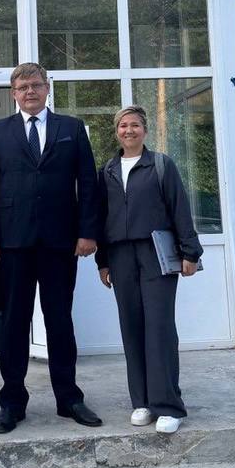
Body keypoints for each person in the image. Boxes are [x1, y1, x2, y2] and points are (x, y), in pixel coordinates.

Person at [0, 62, 102, 434]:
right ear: (14, 94)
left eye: (35, 85)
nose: (29, 92)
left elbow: (88, 183)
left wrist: (88, 232)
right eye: (22, 87)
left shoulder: (71, 128)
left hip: (60, 242)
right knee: (13, 323)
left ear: (47, 88)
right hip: (12, 243)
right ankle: (12, 403)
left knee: (60, 320)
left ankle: (69, 399)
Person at [97, 106, 203, 435]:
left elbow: (179, 207)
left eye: (135, 125)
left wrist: (190, 251)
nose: (129, 130)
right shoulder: (107, 171)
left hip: (155, 252)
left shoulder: (160, 165)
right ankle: (142, 401)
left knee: (159, 327)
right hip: (120, 255)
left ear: (145, 130)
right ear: (117, 131)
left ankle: (168, 405)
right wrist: (103, 260)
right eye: (123, 125)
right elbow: (101, 217)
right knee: (131, 327)